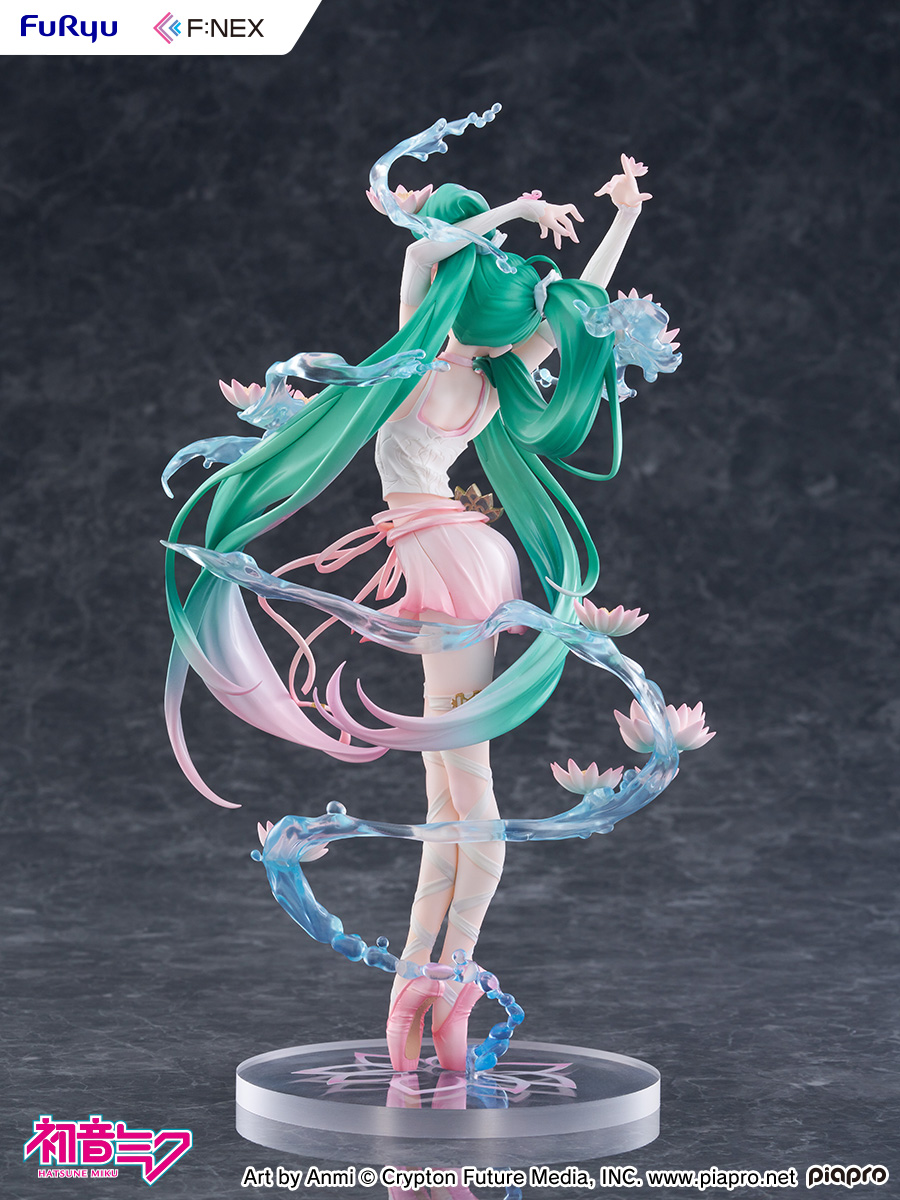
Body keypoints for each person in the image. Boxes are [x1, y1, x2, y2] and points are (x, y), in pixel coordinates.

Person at [163, 120, 656, 1073]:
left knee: (470, 799)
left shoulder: (438, 360)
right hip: (456, 556)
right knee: (447, 797)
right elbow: (563, 300)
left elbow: (464, 267)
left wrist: (536, 212)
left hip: (447, 559)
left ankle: (447, 980)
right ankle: (418, 987)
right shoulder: (476, 365)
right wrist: (601, 216)